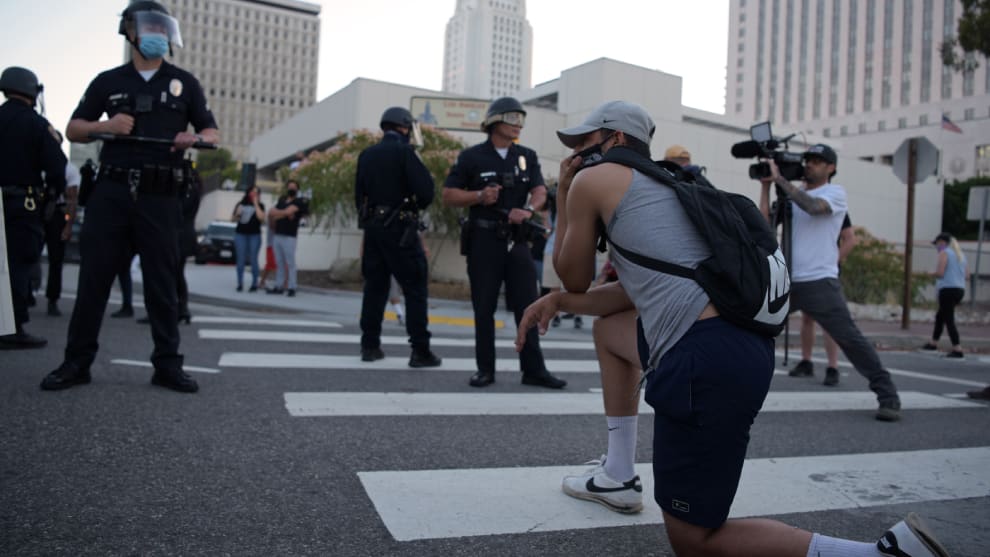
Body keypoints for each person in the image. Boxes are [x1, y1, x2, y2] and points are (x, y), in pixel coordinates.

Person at [517, 99, 950, 557]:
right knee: (610, 333)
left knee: (695, 540)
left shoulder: (591, 180)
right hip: (740, 351)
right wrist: (562, 302)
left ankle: (879, 555)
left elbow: (574, 273)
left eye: (585, 143)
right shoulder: (668, 187)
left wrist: (565, 191)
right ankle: (618, 474)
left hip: (701, 364)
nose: (575, 154)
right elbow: (635, 294)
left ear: (617, 140)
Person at [40, 1, 218, 393]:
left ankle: (167, 365)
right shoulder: (108, 81)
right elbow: (72, 129)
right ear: (130, 31)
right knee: (94, 279)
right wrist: (107, 125)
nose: (156, 33)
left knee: (162, 282)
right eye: (148, 26)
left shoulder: (184, 83)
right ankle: (76, 362)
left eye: (161, 26)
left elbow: (212, 132)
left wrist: (195, 139)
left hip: (161, 193)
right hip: (113, 189)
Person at [758, 144, 902, 422]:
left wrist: (780, 181)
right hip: (787, 280)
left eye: (818, 161)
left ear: (831, 168)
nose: (810, 164)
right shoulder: (790, 195)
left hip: (820, 281)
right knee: (752, 330)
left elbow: (813, 208)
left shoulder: (834, 194)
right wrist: (766, 187)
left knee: (850, 339)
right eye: (808, 160)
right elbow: (764, 226)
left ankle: (888, 394)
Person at [442, 97, 566, 389]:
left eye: (521, 119)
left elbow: (539, 192)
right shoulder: (472, 156)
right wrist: (478, 197)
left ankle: (533, 370)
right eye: (512, 118)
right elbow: (448, 195)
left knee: (529, 306)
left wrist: (531, 210)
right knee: (483, 307)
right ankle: (485, 369)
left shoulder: (526, 155)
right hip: (483, 241)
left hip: (517, 241)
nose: (518, 124)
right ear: (495, 121)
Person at [355, 106, 441, 367]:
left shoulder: (366, 155)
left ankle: (370, 346)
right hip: (401, 229)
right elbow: (426, 191)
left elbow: (359, 196)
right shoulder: (405, 152)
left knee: (374, 288)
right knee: (415, 288)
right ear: (404, 127)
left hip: (374, 230)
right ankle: (420, 350)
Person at [0, 66, 67, 349]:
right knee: (18, 264)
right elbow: (57, 166)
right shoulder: (37, 124)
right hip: (21, 203)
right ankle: (10, 327)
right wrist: (51, 194)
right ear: (31, 90)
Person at [790, 214, 857, 385]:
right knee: (807, 317)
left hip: (824, 272)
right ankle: (806, 361)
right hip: (805, 271)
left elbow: (850, 239)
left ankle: (832, 367)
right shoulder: (801, 207)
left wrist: (831, 261)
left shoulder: (833, 207)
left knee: (829, 320)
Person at [43, 156, 81, 317]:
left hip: (56, 214)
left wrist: (68, 225)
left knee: (56, 259)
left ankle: (53, 299)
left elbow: (72, 200)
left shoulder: (69, 170)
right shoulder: (37, 164)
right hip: (37, 208)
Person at [922, 232, 968, 358]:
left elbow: (940, 273)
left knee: (948, 319)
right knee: (940, 316)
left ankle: (957, 348)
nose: (936, 247)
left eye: (936, 244)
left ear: (942, 242)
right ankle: (933, 343)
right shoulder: (961, 255)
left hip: (947, 289)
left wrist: (928, 274)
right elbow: (967, 275)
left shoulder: (945, 253)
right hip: (959, 289)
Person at [267, 179, 307, 297]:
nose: (291, 189)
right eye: (290, 187)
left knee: (290, 263)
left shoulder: (299, 202)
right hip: (278, 235)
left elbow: (285, 212)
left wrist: (279, 214)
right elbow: (271, 212)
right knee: (279, 263)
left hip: (290, 236)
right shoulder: (282, 199)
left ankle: (292, 287)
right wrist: (284, 213)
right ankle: (278, 286)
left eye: (294, 187)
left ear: (297, 189)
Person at [232, 185, 265, 292]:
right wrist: (237, 214)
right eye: (253, 192)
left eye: (257, 193)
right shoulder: (241, 204)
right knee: (240, 259)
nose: (254, 194)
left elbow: (261, 218)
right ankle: (240, 283)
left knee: (253, 259)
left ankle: (254, 283)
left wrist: (255, 203)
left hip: (254, 235)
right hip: (240, 234)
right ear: (248, 193)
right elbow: (233, 219)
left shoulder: (260, 205)